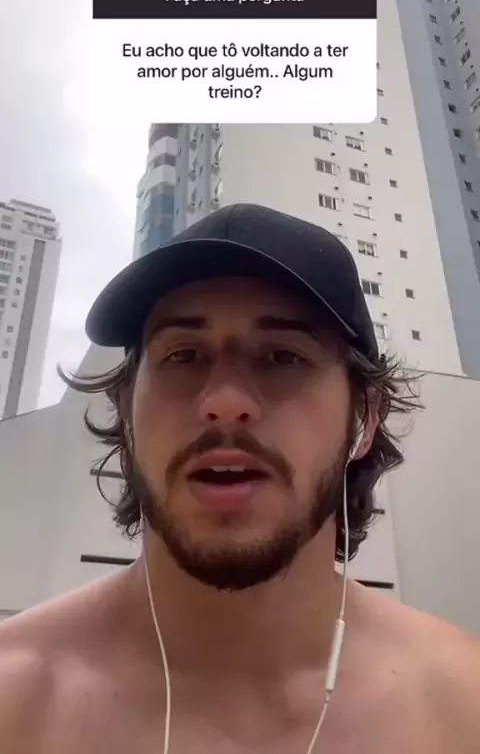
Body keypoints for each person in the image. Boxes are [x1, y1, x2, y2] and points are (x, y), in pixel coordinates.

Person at [0, 203, 478, 754]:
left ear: (365, 418)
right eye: (184, 355)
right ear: (126, 411)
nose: (225, 402)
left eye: (283, 356)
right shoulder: (15, 701)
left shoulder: (462, 708)